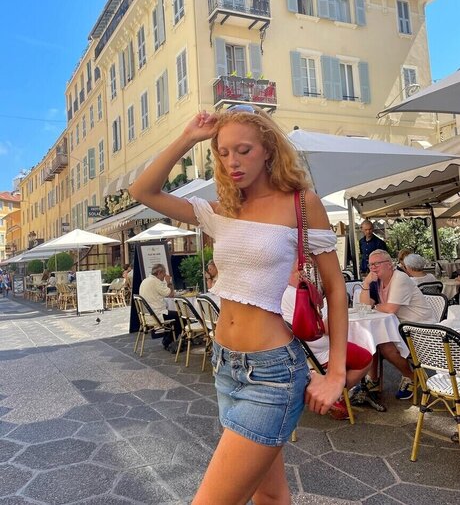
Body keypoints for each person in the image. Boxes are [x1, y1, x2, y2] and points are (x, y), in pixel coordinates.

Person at [129, 104, 348, 504]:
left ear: (268, 150)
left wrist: (336, 374)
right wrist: (189, 137)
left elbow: (335, 288)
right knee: (269, 493)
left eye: (244, 150)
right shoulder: (223, 210)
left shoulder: (301, 203)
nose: (232, 161)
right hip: (225, 365)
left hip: (272, 373)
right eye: (223, 152)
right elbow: (142, 191)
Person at [282, 268, 372, 420]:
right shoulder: (297, 293)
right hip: (320, 351)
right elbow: (324, 328)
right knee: (366, 358)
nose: (305, 275)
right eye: (301, 271)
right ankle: (335, 395)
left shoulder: (281, 293)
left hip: (301, 352)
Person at [359, 249, 436, 400]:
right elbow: (364, 306)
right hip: (400, 326)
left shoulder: (400, 278)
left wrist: (374, 307)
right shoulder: (377, 282)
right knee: (371, 337)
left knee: (384, 344)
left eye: (376, 264)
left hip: (420, 329)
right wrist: (367, 283)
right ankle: (373, 380)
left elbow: (390, 309)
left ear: (389, 264)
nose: (373, 268)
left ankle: (411, 377)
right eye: (370, 265)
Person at [139, 263, 181, 349]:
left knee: (173, 315)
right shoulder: (155, 282)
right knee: (180, 317)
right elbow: (171, 294)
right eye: (164, 273)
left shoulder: (145, 281)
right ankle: (168, 341)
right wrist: (169, 282)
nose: (165, 275)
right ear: (159, 273)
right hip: (157, 314)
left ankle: (167, 339)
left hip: (146, 315)